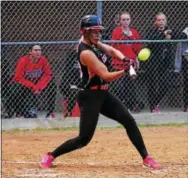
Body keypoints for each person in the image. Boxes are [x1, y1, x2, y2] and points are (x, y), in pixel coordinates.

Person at [40, 15, 161, 169]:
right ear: (85, 32)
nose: (98, 34)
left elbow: (110, 50)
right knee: (83, 139)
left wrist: (125, 59)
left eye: (99, 31)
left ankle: (146, 157)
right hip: (90, 96)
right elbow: (105, 75)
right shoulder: (86, 52)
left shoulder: (94, 43)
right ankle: (50, 155)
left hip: (103, 93)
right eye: (94, 31)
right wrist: (124, 71)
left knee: (129, 121)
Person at [145, 12, 186, 113]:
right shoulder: (151, 31)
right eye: (159, 20)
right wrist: (162, 35)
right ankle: (153, 107)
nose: (161, 22)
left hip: (166, 62)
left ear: (166, 21)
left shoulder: (169, 31)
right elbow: (150, 43)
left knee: (166, 84)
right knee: (153, 85)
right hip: (154, 62)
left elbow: (183, 35)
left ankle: (155, 102)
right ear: (155, 21)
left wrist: (171, 34)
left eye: (163, 20)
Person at [6, 45, 57, 118]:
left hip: (37, 83)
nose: (38, 52)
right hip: (24, 83)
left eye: (39, 50)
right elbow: (18, 77)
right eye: (35, 50)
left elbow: (48, 75)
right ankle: (16, 112)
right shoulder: (23, 60)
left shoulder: (43, 60)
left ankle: (50, 111)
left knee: (52, 85)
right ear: (30, 52)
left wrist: (38, 87)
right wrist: (33, 86)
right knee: (15, 89)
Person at [110, 11, 144, 112]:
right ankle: (120, 105)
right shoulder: (116, 31)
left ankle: (129, 106)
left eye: (127, 19)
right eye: (123, 20)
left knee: (130, 86)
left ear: (130, 20)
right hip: (119, 63)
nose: (125, 22)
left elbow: (138, 48)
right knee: (119, 87)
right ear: (120, 21)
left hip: (131, 64)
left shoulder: (134, 32)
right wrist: (123, 35)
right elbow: (113, 47)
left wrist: (137, 59)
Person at [59, 44, 81, 117]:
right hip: (69, 83)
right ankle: (69, 111)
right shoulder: (71, 56)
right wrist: (73, 85)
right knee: (73, 93)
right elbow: (69, 73)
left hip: (81, 83)